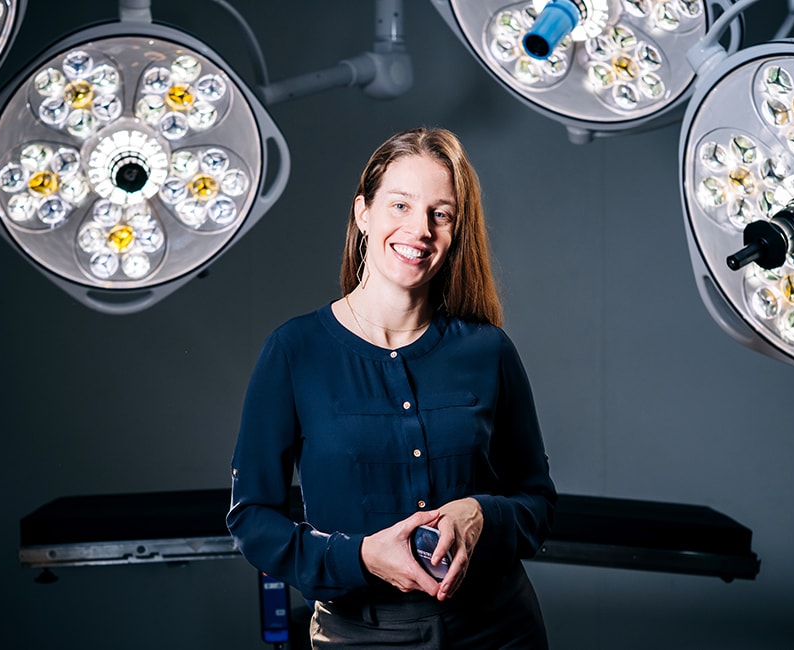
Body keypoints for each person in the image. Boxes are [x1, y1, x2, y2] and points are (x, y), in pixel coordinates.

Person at [227, 127, 557, 649]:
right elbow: (251, 519)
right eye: (400, 205)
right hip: (362, 635)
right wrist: (358, 557)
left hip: (500, 630)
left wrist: (479, 514)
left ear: (455, 231)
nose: (419, 229)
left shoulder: (488, 350)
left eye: (440, 214)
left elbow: (537, 502)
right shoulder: (294, 352)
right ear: (363, 213)